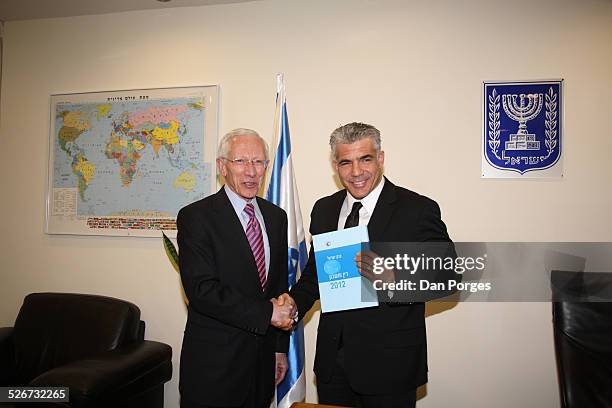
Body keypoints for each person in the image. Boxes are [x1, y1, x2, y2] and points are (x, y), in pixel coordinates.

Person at [283, 122, 453, 407]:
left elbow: (448, 276)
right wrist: (293, 303)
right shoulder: (324, 209)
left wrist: (394, 279)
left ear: (381, 158)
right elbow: (315, 274)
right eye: (346, 162)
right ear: (335, 165)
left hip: (390, 367)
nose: (356, 172)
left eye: (365, 159)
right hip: (332, 366)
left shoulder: (416, 209)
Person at [177, 128, 296, 408]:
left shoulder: (276, 217)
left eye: (258, 162)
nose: (251, 172)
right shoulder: (196, 217)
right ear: (222, 167)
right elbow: (201, 290)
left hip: (261, 365)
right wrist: (268, 313)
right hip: (215, 367)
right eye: (241, 161)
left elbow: (277, 285)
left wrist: (279, 350)